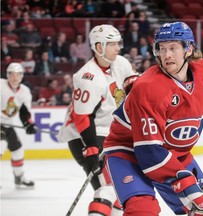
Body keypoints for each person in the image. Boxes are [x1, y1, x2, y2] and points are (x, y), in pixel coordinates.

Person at [103, 22, 203, 216]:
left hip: (174, 153)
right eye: (162, 49)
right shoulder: (148, 87)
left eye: (173, 48)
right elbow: (148, 151)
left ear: (188, 49)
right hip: (129, 152)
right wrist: (180, 178)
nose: (166, 55)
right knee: (142, 209)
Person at [57, 24, 137, 216]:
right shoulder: (88, 77)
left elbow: (134, 87)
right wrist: (91, 149)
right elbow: (82, 117)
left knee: (121, 192)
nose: (118, 47)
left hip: (109, 133)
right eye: (112, 44)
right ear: (99, 47)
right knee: (108, 188)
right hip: (85, 136)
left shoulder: (121, 63)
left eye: (118, 42)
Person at [0, 62, 36, 189]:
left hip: (8, 125)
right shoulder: (0, 85)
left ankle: (19, 177)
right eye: (12, 74)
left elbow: (24, 112)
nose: (15, 78)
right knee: (1, 146)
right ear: (7, 75)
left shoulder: (25, 92)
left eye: (18, 75)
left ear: (22, 76)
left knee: (17, 151)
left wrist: (28, 123)